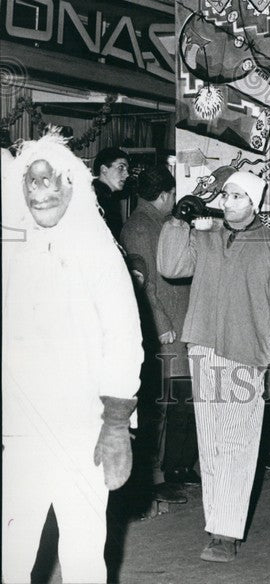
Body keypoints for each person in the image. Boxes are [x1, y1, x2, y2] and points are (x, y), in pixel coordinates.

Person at [2, 130, 143, 584]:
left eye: (51, 180)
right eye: (31, 181)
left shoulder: (97, 248)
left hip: (83, 428)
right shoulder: (12, 250)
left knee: (82, 550)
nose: (40, 190)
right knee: (12, 550)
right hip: (21, 430)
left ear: (71, 186)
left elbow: (124, 338)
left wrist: (116, 423)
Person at [157, 170, 270, 563]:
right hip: (204, 347)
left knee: (238, 445)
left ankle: (225, 533)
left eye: (238, 196)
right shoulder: (205, 237)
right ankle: (217, 522)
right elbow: (170, 267)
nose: (228, 202)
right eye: (226, 195)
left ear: (255, 202)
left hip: (248, 355)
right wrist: (177, 221)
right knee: (211, 445)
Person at [121, 165, 200, 489]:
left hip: (180, 321)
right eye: (173, 195)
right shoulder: (140, 227)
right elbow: (144, 284)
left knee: (183, 398)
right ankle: (170, 470)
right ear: (165, 195)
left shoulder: (160, 221)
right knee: (173, 401)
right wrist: (160, 322)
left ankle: (179, 465)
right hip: (166, 326)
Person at [93, 145, 130, 240]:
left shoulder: (107, 198)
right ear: (104, 169)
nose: (127, 174)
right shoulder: (95, 201)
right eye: (121, 167)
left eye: (127, 169)